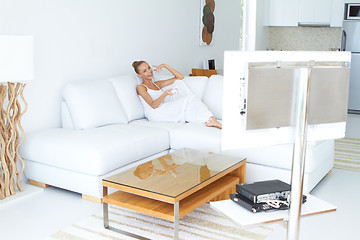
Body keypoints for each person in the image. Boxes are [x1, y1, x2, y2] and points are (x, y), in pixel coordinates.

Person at [133, 61, 222, 129]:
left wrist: (165, 66)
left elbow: (180, 77)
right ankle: (211, 119)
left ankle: (200, 114)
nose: (149, 71)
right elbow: (153, 105)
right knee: (190, 99)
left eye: (149, 68)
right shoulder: (141, 87)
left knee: (179, 83)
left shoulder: (157, 84)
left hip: (163, 107)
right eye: (145, 71)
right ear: (139, 75)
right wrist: (164, 94)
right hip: (155, 113)